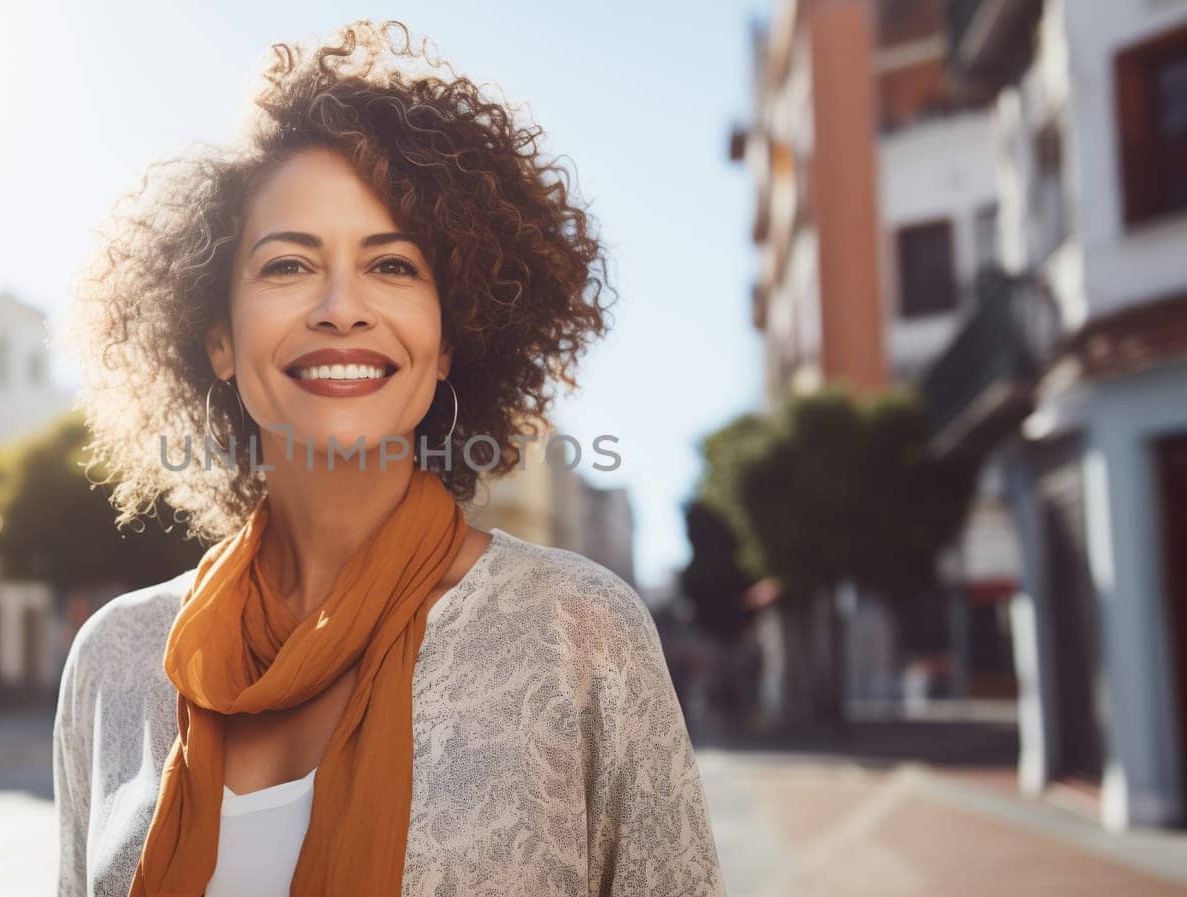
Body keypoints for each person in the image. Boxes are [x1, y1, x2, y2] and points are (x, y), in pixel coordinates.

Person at [55, 19, 725, 897]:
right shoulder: (116, 657)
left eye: (394, 267)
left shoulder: (581, 633)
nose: (342, 308)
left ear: (449, 341)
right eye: (289, 264)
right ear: (217, 338)